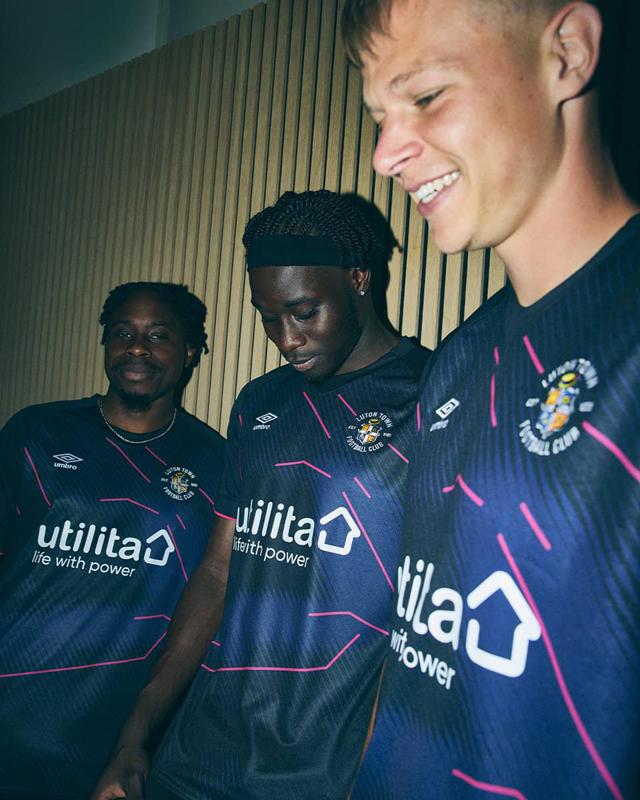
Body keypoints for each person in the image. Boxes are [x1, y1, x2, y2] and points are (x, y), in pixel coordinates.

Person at [339, 0, 640, 797]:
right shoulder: (460, 358)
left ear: (567, 53)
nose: (385, 154)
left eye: (426, 96)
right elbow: (415, 646)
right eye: (379, 117)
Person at [92, 190, 430, 800]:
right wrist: (134, 735)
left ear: (358, 279)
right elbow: (217, 573)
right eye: (268, 317)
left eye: (303, 312)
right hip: (197, 757)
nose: (286, 338)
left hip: (321, 775)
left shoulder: (431, 395)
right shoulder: (261, 401)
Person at [0, 282, 225, 800]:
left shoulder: (215, 465)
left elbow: (209, 599)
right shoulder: (36, 432)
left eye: (158, 335)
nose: (137, 347)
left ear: (191, 352)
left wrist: (136, 742)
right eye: (123, 333)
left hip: (104, 746)